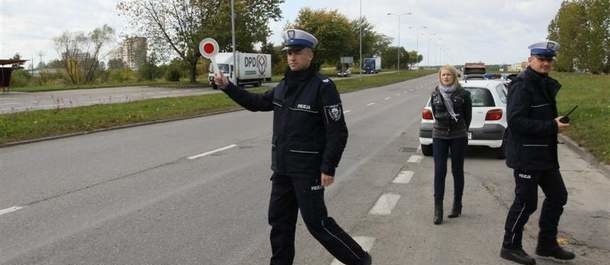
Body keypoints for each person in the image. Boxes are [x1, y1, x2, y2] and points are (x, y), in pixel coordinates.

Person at [213, 29, 372, 265]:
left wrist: (328, 166)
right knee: (279, 223)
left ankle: (361, 261)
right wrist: (227, 86)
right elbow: (257, 103)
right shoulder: (284, 85)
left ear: (310, 55)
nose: (291, 57)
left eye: (297, 52)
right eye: (288, 52)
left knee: (317, 224)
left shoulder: (323, 86)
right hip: (282, 170)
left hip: (307, 170)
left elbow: (337, 130)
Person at [500, 40, 575, 265]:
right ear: (531, 60)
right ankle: (509, 246)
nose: (545, 63)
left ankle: (546, 244)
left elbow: (538, 116)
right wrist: (552, 126)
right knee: (526, 202)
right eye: (541, 59)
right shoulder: (522, 85)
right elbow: (516, 122)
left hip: (545, 156)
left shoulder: (542, 83)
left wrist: (554, 122)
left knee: (558, 195)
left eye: (548, 60)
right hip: (526, 157)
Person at [429, 65, 472, 225]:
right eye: (443, 75)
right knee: (440, 171)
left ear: (454, 76)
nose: (446, 77)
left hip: (458, 135)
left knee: (457, 170)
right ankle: (438, 210)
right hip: (439, 135)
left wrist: (460, 130)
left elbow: (468, 117)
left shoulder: (464, 94)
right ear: (440, 77)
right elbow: (435, 113)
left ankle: (457, 205)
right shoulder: (435, 93)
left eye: (449, 75)